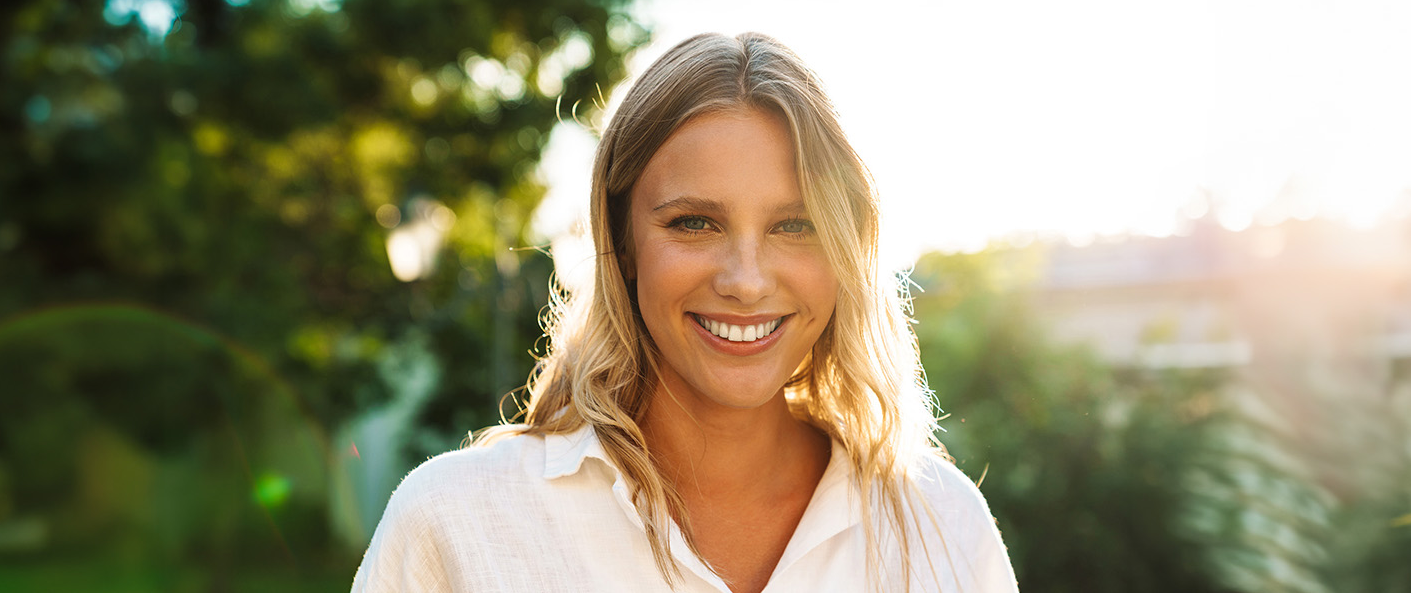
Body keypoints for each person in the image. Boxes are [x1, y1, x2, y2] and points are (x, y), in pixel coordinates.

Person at [351, 33, 1017, 592]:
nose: (747, 281)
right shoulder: (458, 523)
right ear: (622, 239)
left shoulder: (942, 524)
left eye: (796, 225)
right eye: (695, 222)